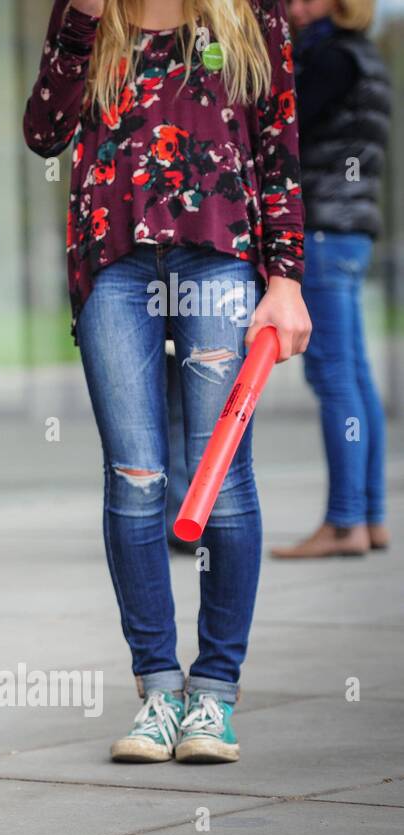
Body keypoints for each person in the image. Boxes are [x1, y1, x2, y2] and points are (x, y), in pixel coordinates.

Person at [24, 0, 312, 764]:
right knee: (135, 475)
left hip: (218, 254)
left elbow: (278, 144)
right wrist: (80, 20)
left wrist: (286, 279)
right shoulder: (90, 12)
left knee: (222, 476)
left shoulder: (249, 11)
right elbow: (43, 131)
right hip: (113, 264)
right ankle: (158, 691)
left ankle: (214, 692)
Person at [272, 0, 390, 558]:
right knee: (357, 377)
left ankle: (345, 523)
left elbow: (282, 129)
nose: (292, 5)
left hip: (320, 231)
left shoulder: (328, 58)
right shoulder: (365, 57)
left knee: (335, 379)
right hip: (352, 233)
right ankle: (370, 516)